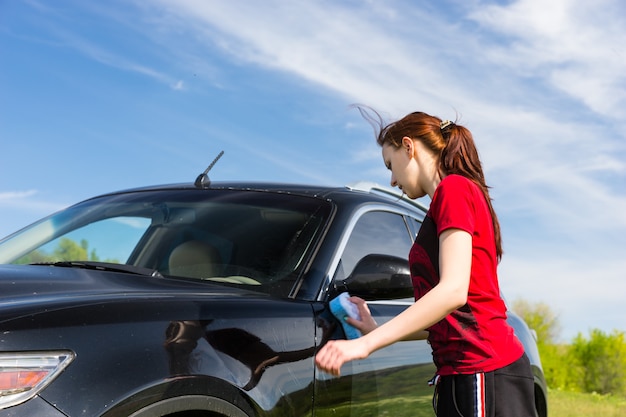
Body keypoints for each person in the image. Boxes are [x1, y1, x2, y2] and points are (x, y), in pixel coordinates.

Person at [315, 108, 536, 417]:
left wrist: (364, 345)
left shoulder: (454, 190)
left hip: (483, 369)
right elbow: (450, 316)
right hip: (466, 373)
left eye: (391, 165)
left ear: (409, 146)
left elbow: (453, 292)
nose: (392, 180)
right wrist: (375, 328)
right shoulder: (446, 201)